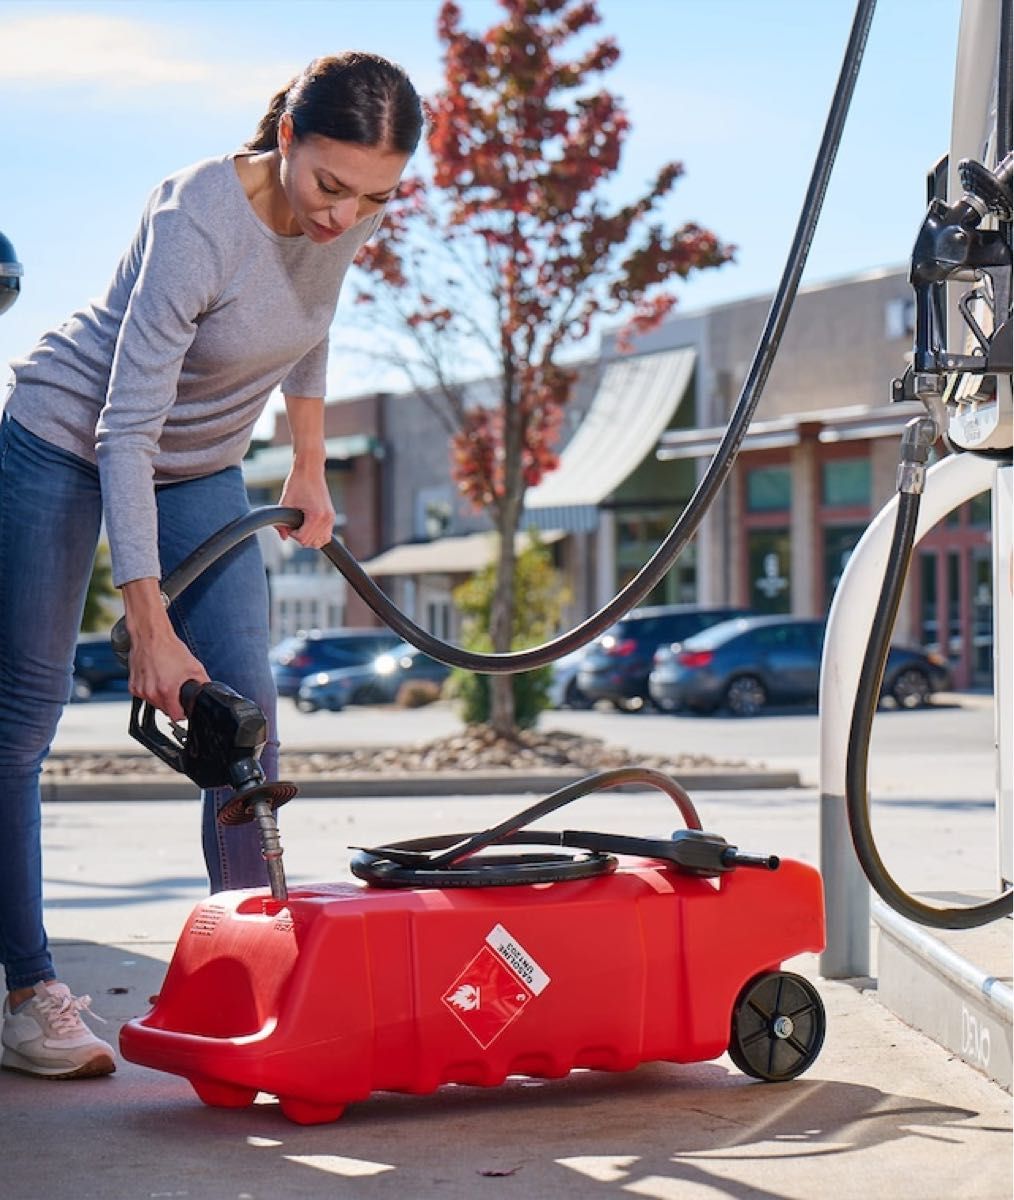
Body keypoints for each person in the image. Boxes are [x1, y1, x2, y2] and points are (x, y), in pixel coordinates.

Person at [0, 52, 423, 1079]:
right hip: (69, 436)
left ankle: (255, 978)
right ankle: (27, 988)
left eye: (374, 197)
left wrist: (312, 466)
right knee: (23, 717)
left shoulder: (348, 204)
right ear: (286, 137)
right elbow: (124, 429)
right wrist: (149, 627)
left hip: (202, 464)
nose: (345, 217)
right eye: (329, 186)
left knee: (247, 728)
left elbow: (311, 331)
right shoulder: (199, 217)